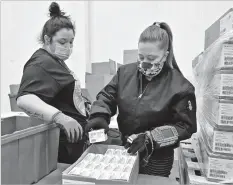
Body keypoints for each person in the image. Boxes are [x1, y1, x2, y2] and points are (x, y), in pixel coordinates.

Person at [85, 22, 197, 177]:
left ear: (165, 55)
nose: (144, 63)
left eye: (151, 58)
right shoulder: (125, 73)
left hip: (156, 159)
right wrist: (99, 115)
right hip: (126, 149)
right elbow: (107, 96)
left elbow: (185, 126)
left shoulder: (180, 87)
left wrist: (151, 138)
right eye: (141, 57)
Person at [16, 2, 91, 164]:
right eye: (62, 42)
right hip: (62, 142)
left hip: (74, 138)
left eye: (71, 42)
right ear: (47, 39)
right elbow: (24, 98)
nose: (69, 47)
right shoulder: (40, 63)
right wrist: (61, 117)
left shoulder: (55, 61)